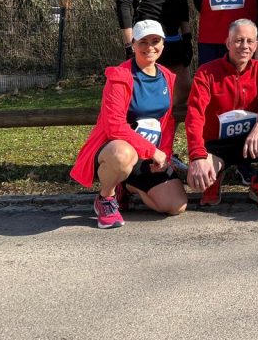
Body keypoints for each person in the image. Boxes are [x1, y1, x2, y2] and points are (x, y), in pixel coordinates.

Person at [70, 20, 188, 229]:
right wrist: (152, 150)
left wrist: (164, 155)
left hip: (147, 156)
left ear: (163, 44)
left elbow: (167, 122)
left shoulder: (167, 77)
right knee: (123, 155)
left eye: (155, 41)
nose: (150, 47)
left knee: (176, 205)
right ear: (133, 45)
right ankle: (106, 198)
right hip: (114, 150)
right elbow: (114, 125)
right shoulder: (119, 76)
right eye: (143, 42)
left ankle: (127, 186)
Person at [185, 20, 258, 208]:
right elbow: (195, 116)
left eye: (250, 41)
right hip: (216, 146)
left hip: (249, 143)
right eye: (238, 40)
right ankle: (214, 178)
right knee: (195, 182)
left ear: (256, 45)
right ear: (228, 43)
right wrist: (197, 157)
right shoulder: (206, 73)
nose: (244, 46)